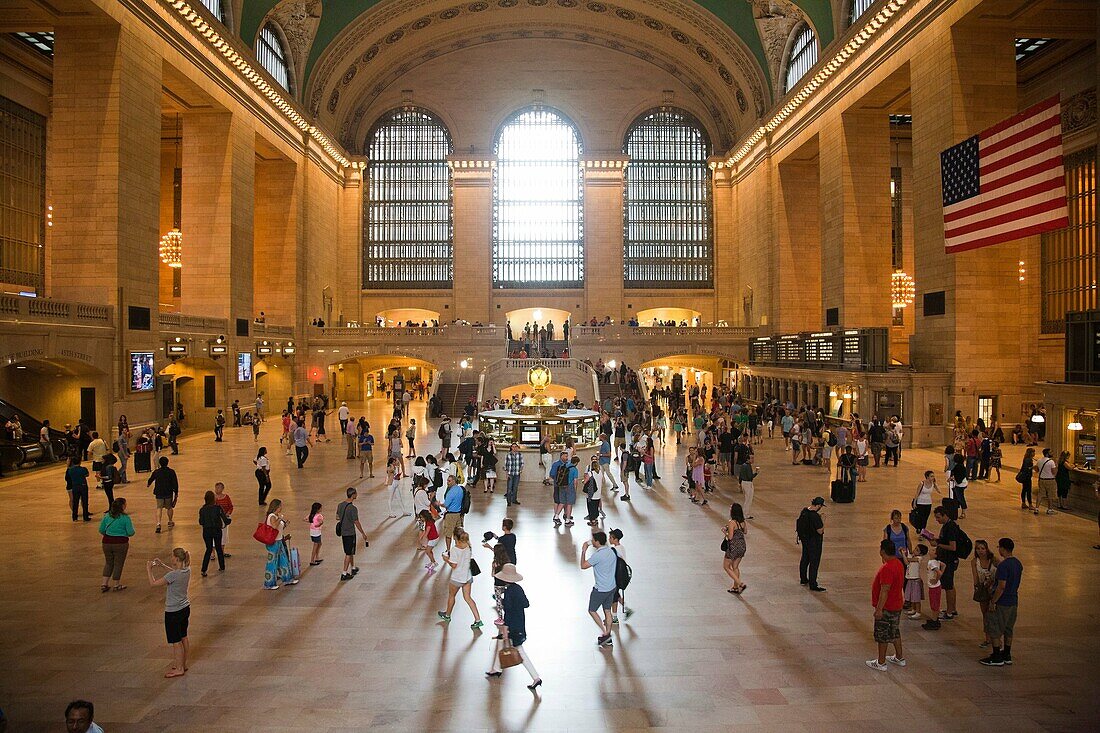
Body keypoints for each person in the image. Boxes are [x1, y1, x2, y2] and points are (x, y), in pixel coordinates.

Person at [485, 563, 542, 688]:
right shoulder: (518, 589)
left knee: (520, 651)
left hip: (513, 626)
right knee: (501, 643)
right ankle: (496, 668)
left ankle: (536, 677)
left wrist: (505, 628)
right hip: (520, 623)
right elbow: (526, 604)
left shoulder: (509, 592)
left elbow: (508, 612)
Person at [147, 547, 191, 678]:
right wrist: (162, 565)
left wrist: (149, 569)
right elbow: (173, 573)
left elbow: (153, 583)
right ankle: (183, 663)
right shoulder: (186, 570)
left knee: (176, 641)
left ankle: (179, 669)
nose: (171, 558)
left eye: (172, 556)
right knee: (184, 636)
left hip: (173, 611)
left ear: (176, 558)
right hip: (185, 608)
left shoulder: (173, 575)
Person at [866, 538, 907, 671]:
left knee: (882, 635)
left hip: (887, 607)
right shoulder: (898, 563)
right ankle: (899, 657)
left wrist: (879, 609)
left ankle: (881, 662)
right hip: (897, 604)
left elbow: (885, 590)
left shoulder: (888, 568)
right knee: (894, 631)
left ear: (882, 551)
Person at [980, 537, 1022, 666]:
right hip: (1013, 600)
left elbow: (1001, 586)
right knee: (1009, 629)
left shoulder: (1004, 565)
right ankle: (1007, 654)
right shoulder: (1017, 563)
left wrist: (993, 601)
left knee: (995, 628)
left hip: (1002, 602)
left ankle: (997, 656)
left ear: (1003, 548)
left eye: (999, 547)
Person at [438, 529, 483, 629]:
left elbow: (454, 565)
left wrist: (446, 560)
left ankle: (447, 615)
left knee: (451, 596)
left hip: (457, 578)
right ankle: (478, 619)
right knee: (468, 598)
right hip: (467, 576)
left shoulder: (455, 549)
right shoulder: (468, 546)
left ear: (455, 537)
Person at [580, 531, 618, 647]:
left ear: (597, 541)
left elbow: (583, 566)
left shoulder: (597, 555)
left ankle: (605, 633)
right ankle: (608, 634)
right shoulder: (611, 552)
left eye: (593, 540)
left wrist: (583, 551)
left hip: (600, 589)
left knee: (592, 610)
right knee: (607, 611)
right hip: (611, 587)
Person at [928, 506, 960, 621]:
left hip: (949, 560)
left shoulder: (950, 527)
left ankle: (950, 612)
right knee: (950, 585)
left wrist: (938, 545)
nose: (937, 520)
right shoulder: (947, 525)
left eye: (938, 517)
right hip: (948, 559)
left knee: (948, 586)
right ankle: (952, 608)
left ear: (945, 515)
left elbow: (952, 547)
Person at [99, 497, 135, 592]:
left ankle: (104, 583)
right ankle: (116, 584)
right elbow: (131, 532)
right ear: (122, 506)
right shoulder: (125, 518)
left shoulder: (107, 516)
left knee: (108, 562)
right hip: (121, 543)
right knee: (118, 563)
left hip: (106, 542)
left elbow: (101, 530)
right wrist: (123, 534)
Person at [262, 499, 297, 589]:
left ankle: (287, 578)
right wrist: (280, 519)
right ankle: (269, 584)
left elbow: (278, 529)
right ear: (276, 507)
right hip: (273, 542)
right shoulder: (272, 516)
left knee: (283, 560)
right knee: (272, 562)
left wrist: (285, 524)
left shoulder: (276, 516)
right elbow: (274, 526)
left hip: (279, 540)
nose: (281, 507)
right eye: (280, 506)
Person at [972, 539, 999, 649]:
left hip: (993, 589)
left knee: (993, 614)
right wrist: (977, 587)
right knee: (985, 614)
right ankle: (987, 638)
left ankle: (996, 638)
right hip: (983, 589)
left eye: (983, 548)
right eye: (978, 548)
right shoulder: (974, 561)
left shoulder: (994, 560)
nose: (980, 551)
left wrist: (992, 582)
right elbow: (975, 577)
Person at [337, 488, 369, 581]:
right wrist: (363, 533)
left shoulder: (340, 505)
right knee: (348, 553)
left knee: (350, 550)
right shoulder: (353, 508)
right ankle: (344, 573)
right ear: (353, 495)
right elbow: (356, 522)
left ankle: (353, 567)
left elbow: (337, 517)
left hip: (343, 532)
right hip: (350, 533)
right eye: (356, 493)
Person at [797, 497, 827, 592]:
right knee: (814, 562)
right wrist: (823, 520)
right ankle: (813, 584)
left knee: (805, 559)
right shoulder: (815, 516)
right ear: (818, 505)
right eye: (821, 506)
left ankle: (803, 579)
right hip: (814, 542)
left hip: (805, 540)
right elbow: (820, 531)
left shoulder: (804, 511)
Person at [197, 490, 229, 577]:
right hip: (217, 531)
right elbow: (225, 519)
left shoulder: (202, 510)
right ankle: (222, 566)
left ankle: (204, 569)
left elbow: (201, 522)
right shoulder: (218, 508)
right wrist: (228, 522)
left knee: (208, 549)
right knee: (218, 548)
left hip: (206, 531)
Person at [147, 456, 179, 533]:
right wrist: (176, 492)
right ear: (167, 463)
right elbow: (175, 483)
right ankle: (170, 521)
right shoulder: (171, 472)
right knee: (169, 507)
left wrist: (148, 484)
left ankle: (158, 524)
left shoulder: (156, 472)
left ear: (160, 463)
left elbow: (151, 479)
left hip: (159, 492)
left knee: (159, 508)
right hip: (168, 492)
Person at [723, 503, 748, 594]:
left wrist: (724, 532)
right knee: (735, 567)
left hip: (733, 547)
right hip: (742, 546)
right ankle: (735, 587)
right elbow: (745, 532)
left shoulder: (732, 522)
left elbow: (730, 537)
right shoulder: (743, 522)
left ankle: (740, 583)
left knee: (726, 566)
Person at [441, 475, 466, 553]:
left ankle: (448, 550)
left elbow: (446, 505)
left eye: (449, 481)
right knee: (458, 533)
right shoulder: (460, 489)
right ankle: (458, 548)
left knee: (448, 534)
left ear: (454, 481)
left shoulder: (450, 492)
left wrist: (439, 504)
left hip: (451, 515)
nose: (447, 482)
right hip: (459, 514)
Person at [903, 544, 927, 620]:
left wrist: (903, 554)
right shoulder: (912, 556)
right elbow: (906, 563)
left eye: (917, 550)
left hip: (916, 581)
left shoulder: (919, 558)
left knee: (916, 597)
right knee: (911, 596)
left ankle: (918, 612)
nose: (914, 550)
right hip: (910, 579)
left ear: (921, 553)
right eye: (915, 548)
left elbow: (907, 560)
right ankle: (913, 609)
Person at [65, 455, 92, 522]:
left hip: (74, 486)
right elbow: (87, 475)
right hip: (83, 486)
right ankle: (85, 517)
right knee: (84, 501)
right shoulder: (83, 469)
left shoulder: (70, 470)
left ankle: (74, 517)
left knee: (75, 501)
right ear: (80, 462)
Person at [1035, 448, 1058, 515]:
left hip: (1041, 479)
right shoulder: (1051, 462)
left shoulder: (1039, 460)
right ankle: (1050, 509)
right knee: (1050, 495)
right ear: (1047, 453)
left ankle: (1036, 508)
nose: (1052, 453)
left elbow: (1036, 470)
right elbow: (1054, 472)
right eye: (1051, 452)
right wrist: (1056, 466)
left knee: (1040, 494)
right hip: (1050, 480)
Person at [306, 502, 324, 566]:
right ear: (318, 509)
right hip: (316, 532)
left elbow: (305, 519)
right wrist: (319, 524)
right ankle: (312, 560)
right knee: (316, 545)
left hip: (312, 532)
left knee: (319, 543)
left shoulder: (311, 515)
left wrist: (312, 522)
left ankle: (316, 557)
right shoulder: (318, 516)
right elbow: (321, 522)